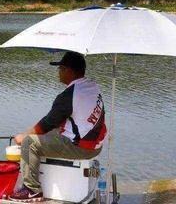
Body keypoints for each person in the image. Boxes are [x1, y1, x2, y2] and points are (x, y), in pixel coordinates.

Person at [9, 51, 106, 203]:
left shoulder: (68, 96)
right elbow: (58, 122)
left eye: (60, 68)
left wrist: (23, 136)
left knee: (30, 142)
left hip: (83, 148)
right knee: (48, 133)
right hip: (97, 145)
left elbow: (46, 123)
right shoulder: (92, 86)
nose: (58, 72)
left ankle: (32, 190)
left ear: (69, 71)